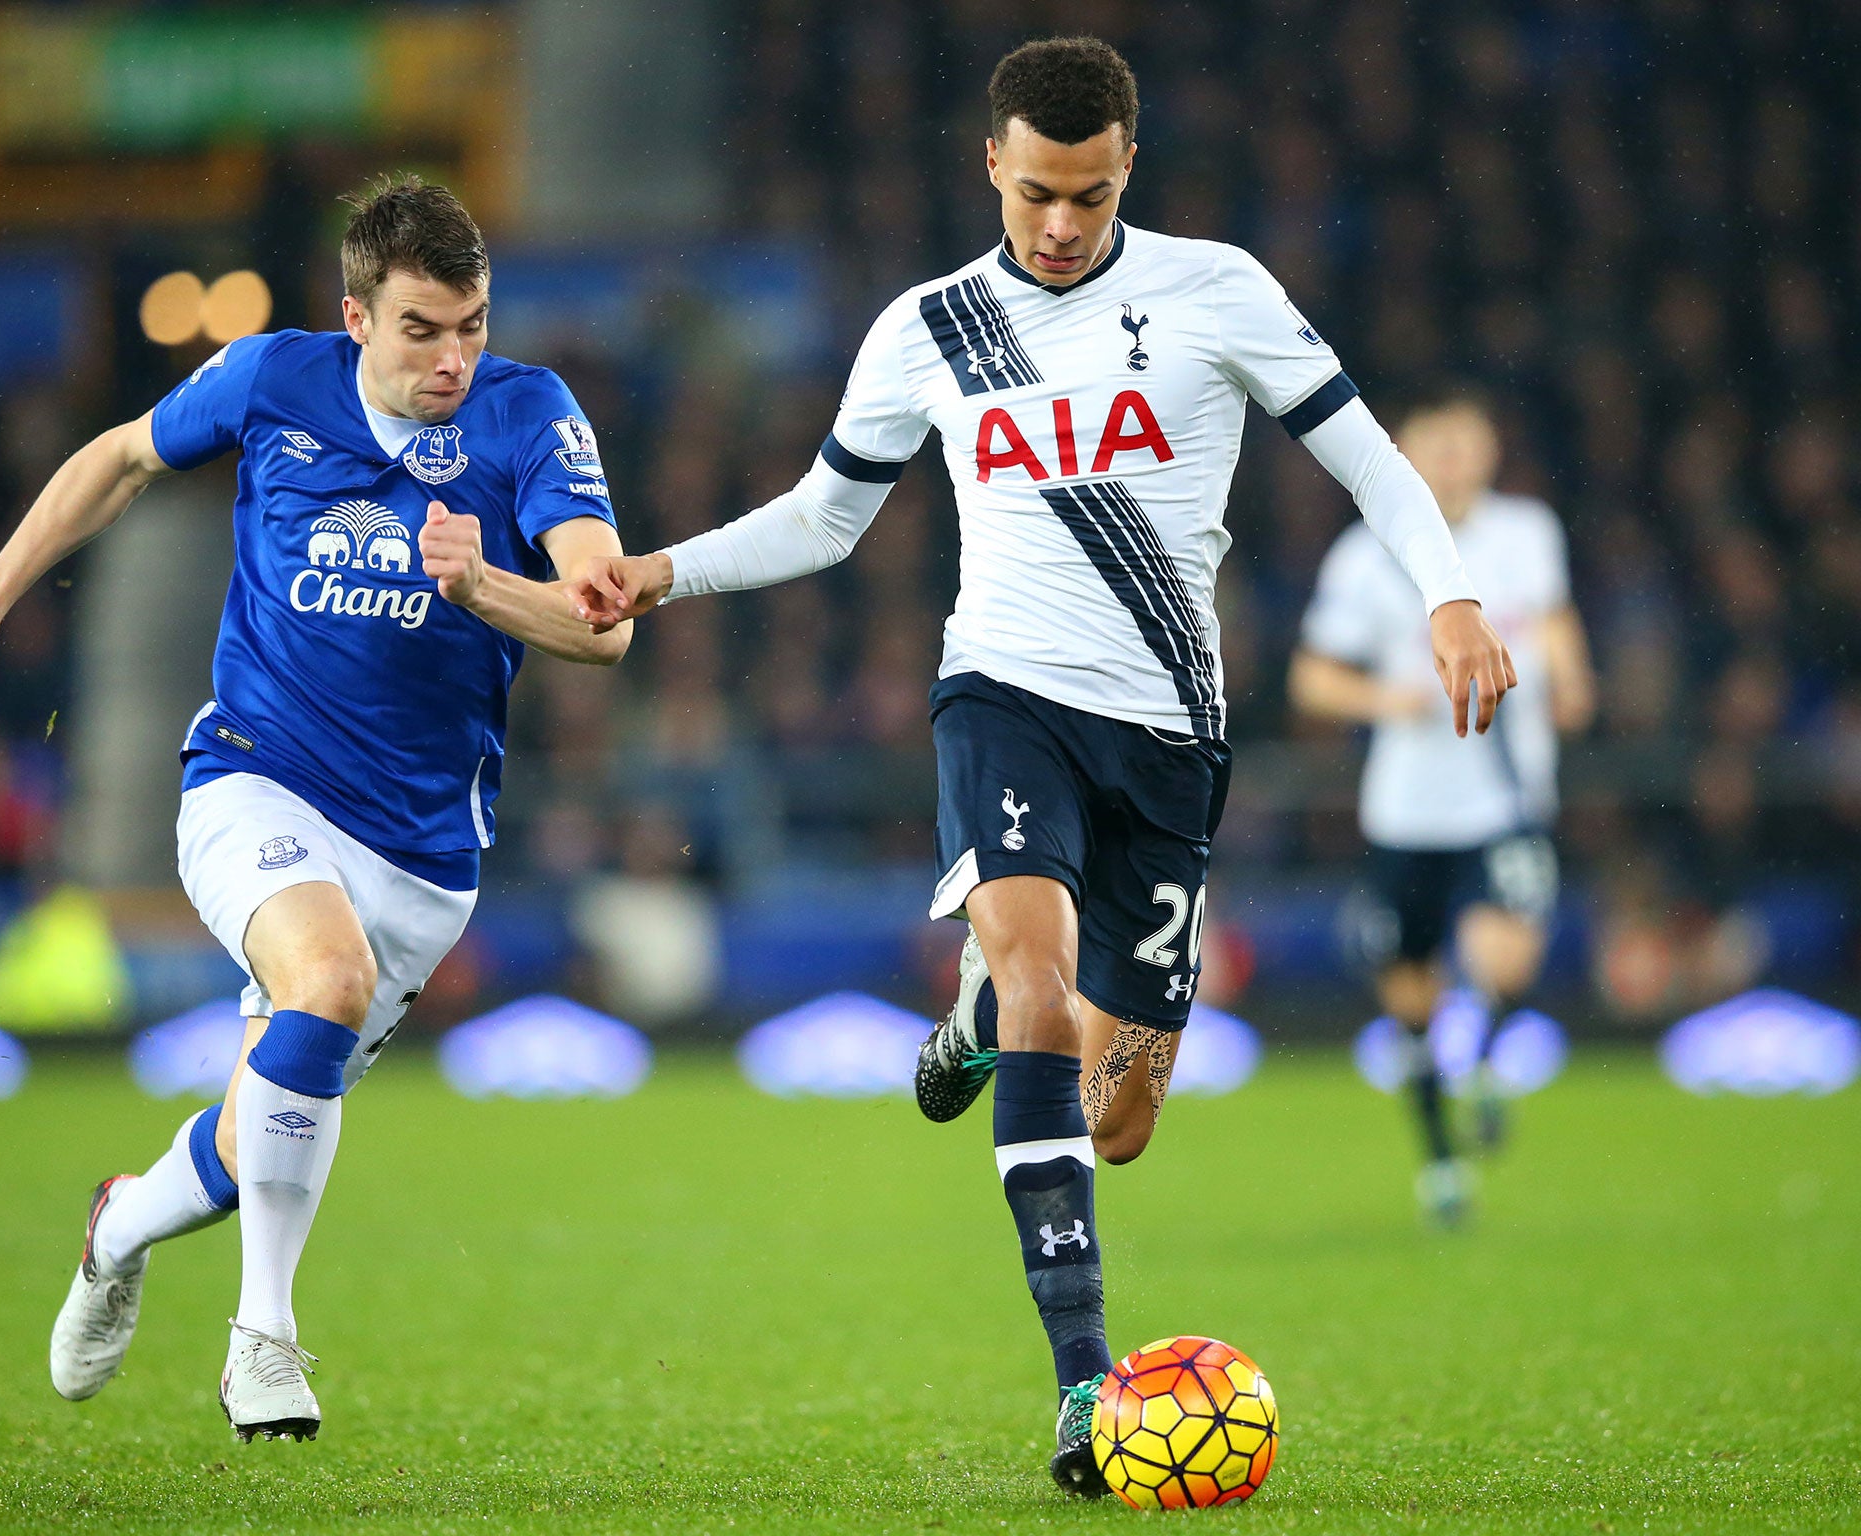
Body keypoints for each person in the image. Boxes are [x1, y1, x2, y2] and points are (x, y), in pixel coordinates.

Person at [562, 39, 1514, 1496]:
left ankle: (979, 1019)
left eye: (1085, 193)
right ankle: (1083, 1388)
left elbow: (1369, 456)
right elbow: (827, 519)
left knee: (1122, 1118)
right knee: (1038, 979)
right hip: (1001, 694)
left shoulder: (1218, 290)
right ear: (989, 167)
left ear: (1127, 164)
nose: (1059, 224)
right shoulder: (930, 328)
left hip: (1172, 737)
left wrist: (1449, 591)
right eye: (1034, 193)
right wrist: (661, 573)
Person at [0, 176, 631, 1441]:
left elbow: (601, 624)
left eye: (469, 325)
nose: (452, 357)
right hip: (254, 773)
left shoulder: (532, 417)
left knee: (256, 1137)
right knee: (325, 981)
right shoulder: (270, 382)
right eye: (421, 328)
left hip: (424, 848)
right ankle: (265, 1341)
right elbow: (119, 458)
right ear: (354, 317)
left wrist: (484, 594)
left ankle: (121, 1222)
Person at [1290, 385, 1593, 1224]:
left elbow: (1553, 618)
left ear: (1490, 452)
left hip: (1505, 795)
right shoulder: (1365, 554)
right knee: (1412, 995)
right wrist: (1392, 700)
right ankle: (1442, 1162)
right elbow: (1312, 678)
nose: (1454, 459)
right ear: (1406, 454)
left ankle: (1491, 1059)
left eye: (1468, 442)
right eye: (1438, 443)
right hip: (1407, 809)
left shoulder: (1528, 534)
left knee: (1505, 961)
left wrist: (1571, 676)